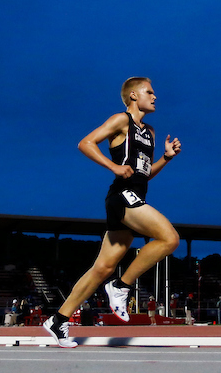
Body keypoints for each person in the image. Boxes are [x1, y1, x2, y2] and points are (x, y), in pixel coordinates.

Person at [42, 77, 182, 348]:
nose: (154, 97)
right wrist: (113, 167)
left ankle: (58, 320)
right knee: (170, 239)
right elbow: (86, 143)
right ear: (133, 95)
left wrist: (165, 159)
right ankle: (121, 286)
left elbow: (144, 174)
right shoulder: (121, 121)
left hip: (136, 195)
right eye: (149, 92)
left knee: (102, 268)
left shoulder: (150, 132)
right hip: (121, 197)